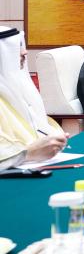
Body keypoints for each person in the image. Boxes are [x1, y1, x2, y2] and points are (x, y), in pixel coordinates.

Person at [0, 26, 68, 170]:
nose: (24, 52)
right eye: (16, 47)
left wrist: (53, 140)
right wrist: (28, 153)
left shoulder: (18, 89)